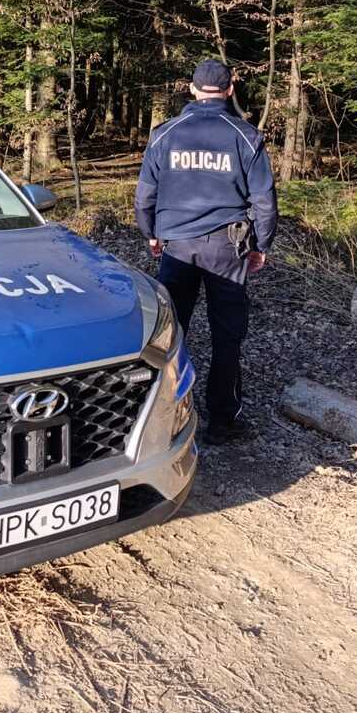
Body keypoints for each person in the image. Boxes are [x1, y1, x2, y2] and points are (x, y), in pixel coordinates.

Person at [134, 59, 277, 445]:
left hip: (177, 248)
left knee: (169, 334)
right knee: (227, 335)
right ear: (230, 89)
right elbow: (264, 201)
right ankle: (223, 420)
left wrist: (151, 234)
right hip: (227, 248)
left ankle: (161, 420)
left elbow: (145, 195)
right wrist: (261, 245)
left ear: (193, 89)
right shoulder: (245, 135)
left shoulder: (165, 134)